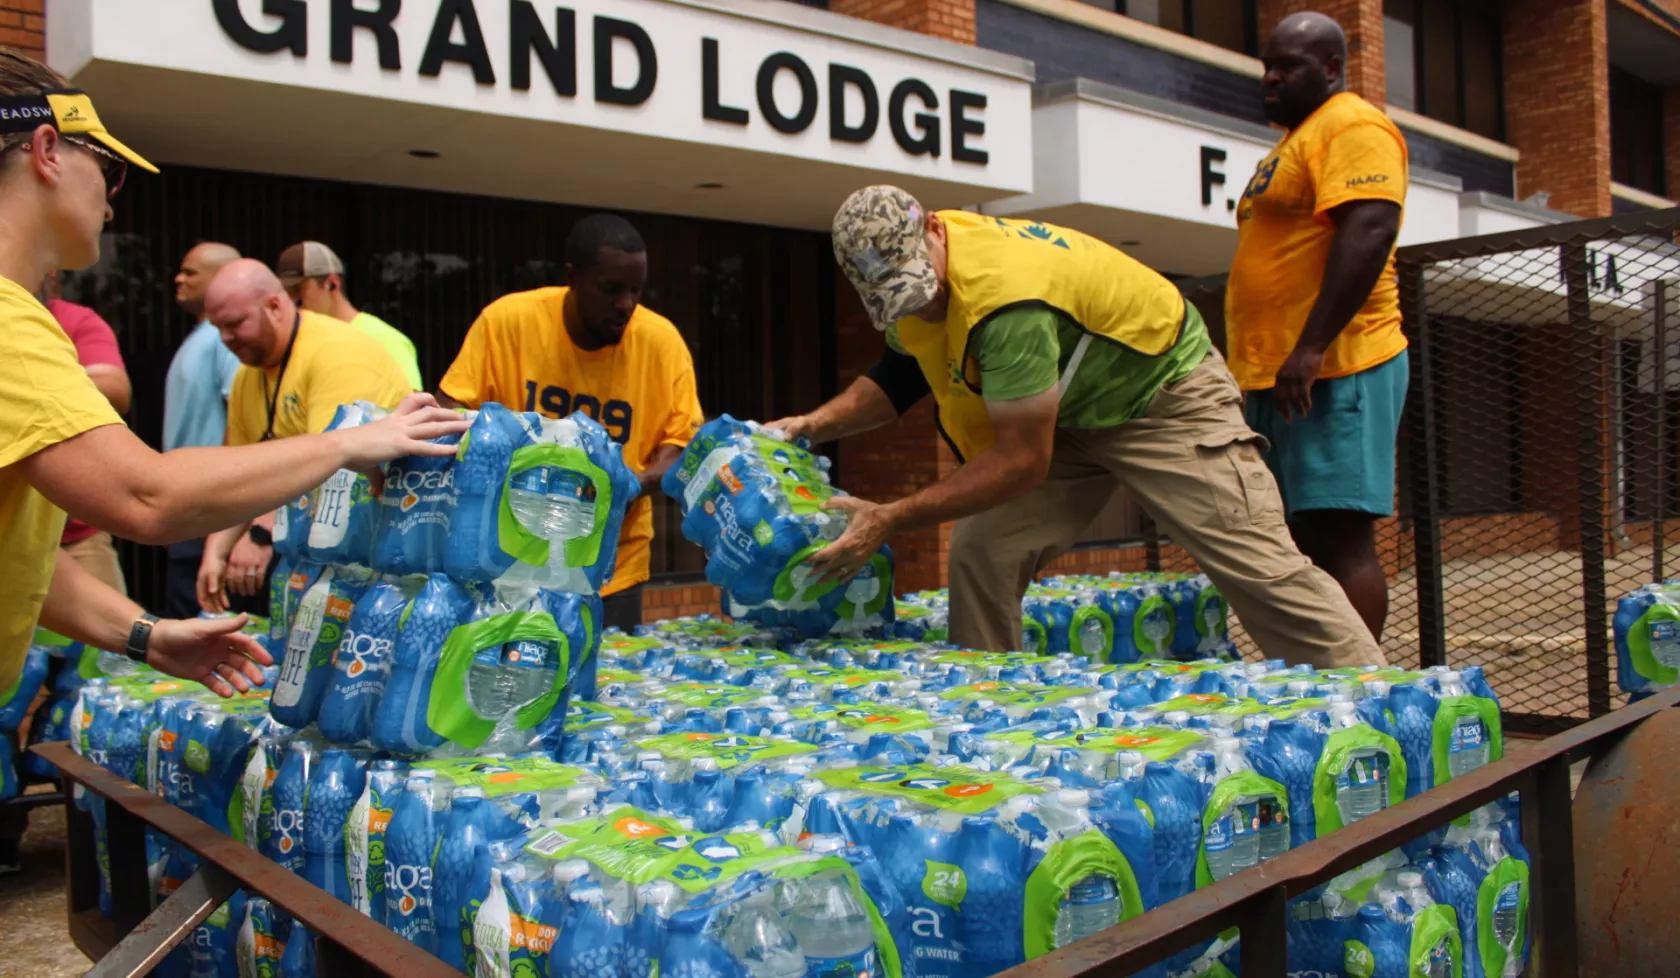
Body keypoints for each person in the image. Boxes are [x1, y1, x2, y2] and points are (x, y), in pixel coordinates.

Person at [0, 47, 468, 701]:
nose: (110, 202)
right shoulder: (9, 323)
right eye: (107, 169)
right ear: (48, 150)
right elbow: (145, 497)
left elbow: (18, 565)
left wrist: (146, 636)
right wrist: (350, 443)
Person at [774, 185, 1381, 668]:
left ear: (935, 227)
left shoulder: (1007, 297)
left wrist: (890, 517)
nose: (919, 304)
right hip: (1064, 407)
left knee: (1255, 563)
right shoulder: (914, 286)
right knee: (982, 551)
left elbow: (1021, 462)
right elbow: (898, 373)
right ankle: (988, 713)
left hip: (1159, 393)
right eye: (898, 297)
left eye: (920, 286)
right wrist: (811, 424)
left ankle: (1385, 708)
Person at [1226, 12, 1409, 639]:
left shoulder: (1352, 124)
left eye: (1289, 67)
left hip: (1338, 366)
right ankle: (1315, 678)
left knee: (1338, 532)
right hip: (1283, 376)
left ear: (1332, 68)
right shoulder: (1294, 144)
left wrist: (1310, 347)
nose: (1271, 79)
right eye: (1267, 67)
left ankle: (1357, 688)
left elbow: (1370, 228)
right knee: (1298, 535)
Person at [438, 214, 703, 631]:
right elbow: (450, 413)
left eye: (636, 290)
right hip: (505, 561)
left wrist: (632, 483)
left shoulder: (662, 343)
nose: (627, 305)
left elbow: (682, 444)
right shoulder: (508, 322)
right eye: (611, 289)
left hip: (610, 569)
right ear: (572, 278)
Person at [196, 259, 416, 612]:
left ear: (275, 305)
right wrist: (215, 552)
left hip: (375, 564)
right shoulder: (246, 377)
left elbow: (327, 467)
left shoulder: (337, 353)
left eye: (235, 324)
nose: (226, 339)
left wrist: (258, 533)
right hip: (312, 555)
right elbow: (236, 474)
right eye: (217, 327)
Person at [161, 241, 245, 618]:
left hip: (213, 509)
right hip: (188, 507)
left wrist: (228, 526)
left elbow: (241, 422)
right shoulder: (201, 337)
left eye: (190, 271)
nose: (179, 278)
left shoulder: (225, 339)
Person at [40, 272, 132, 593]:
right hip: (9, 531)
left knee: (112, 638)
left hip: (75, 537)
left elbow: (114, 389)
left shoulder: (72, 319)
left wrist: (27, 387)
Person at [277, 240, 423, 390]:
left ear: (332, 284)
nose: (292, 301)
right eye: (285, 292)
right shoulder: (297, 342)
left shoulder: (384, 339)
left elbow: (411, 404)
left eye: (297, 289)